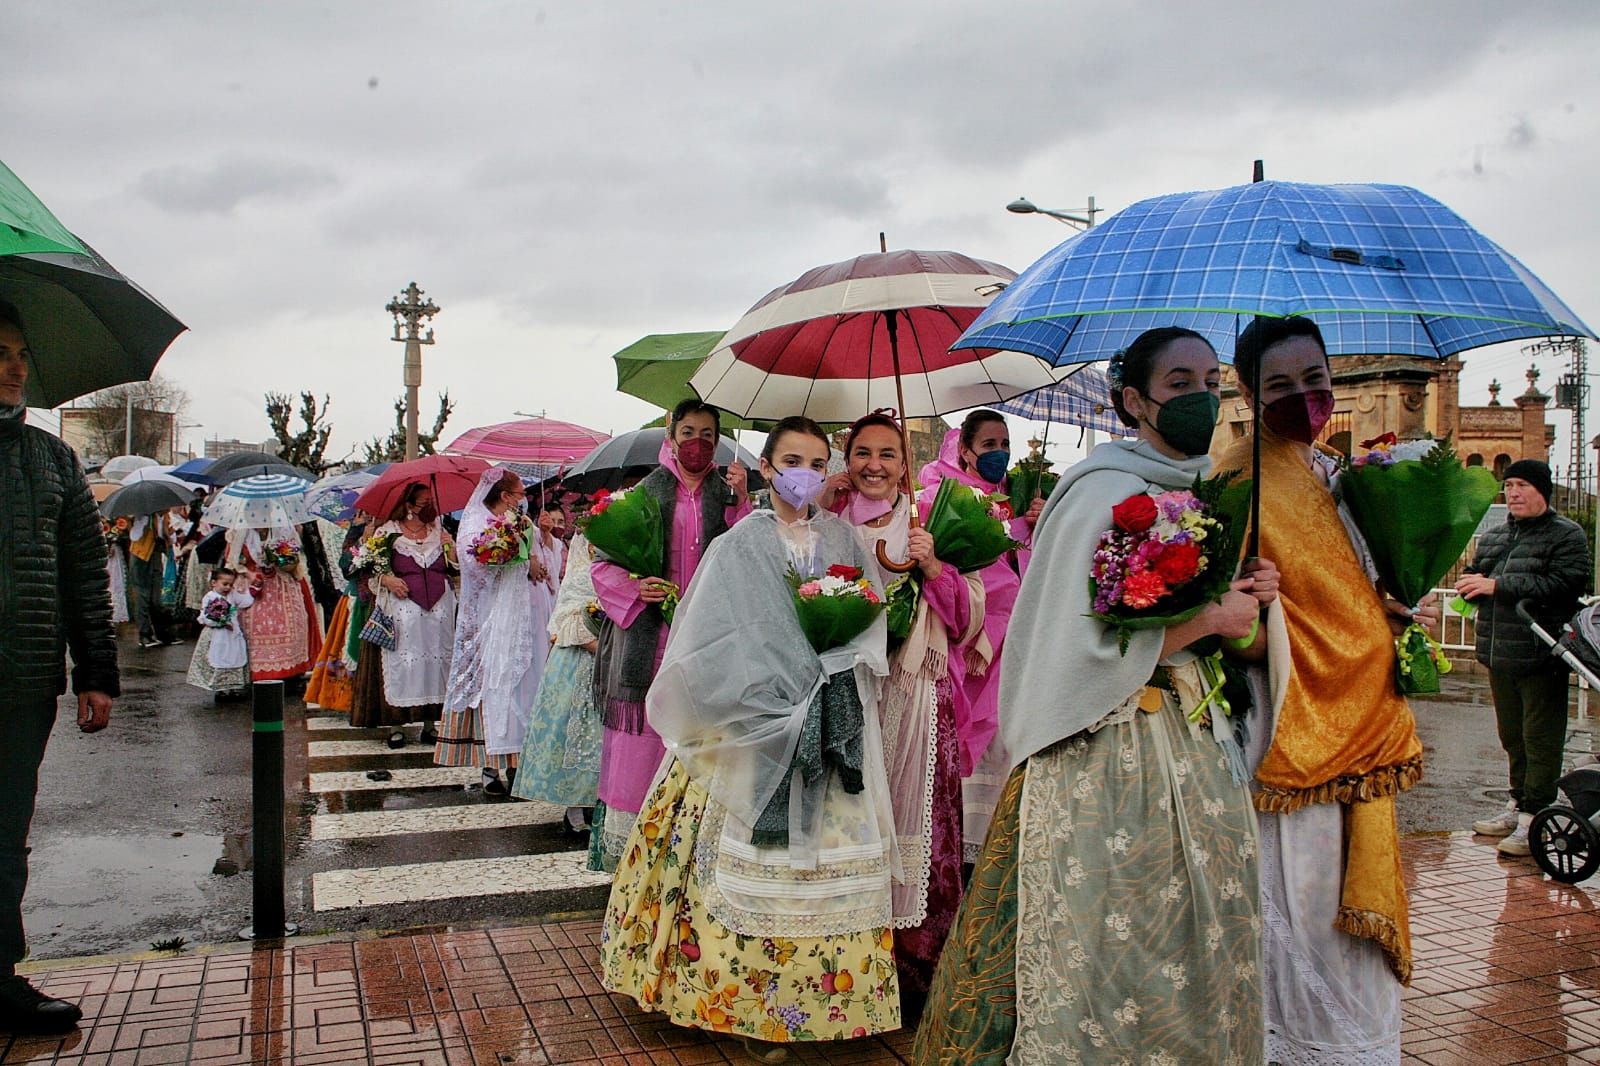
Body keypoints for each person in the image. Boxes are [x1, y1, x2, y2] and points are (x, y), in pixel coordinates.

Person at [916, 327, 1275, 1063]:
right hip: (1103, 752)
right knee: (1104, 927)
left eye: (1212, 382)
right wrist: (1208, 618)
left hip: (1193, 743)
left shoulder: (1210, 489)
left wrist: (1246, 599)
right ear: (1134, 400)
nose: (1201, 398)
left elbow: (1224, 636)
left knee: (1187, 928)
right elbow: (1078, 646)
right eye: (1180, 384)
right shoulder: (1101, 494)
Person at [600, 415, 900, 1050]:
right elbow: (710, 634)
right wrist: (762, 686)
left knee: (826, 856)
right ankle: (739, 997)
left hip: (825, 718)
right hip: (750, 722)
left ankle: (818, 997)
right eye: (794, 461)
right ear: (767, 468)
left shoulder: (844, 541)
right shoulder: (737, 544)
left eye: (819, 465)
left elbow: (868, 621)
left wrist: (837, 658)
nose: (806, 475)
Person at [1214, 315, 1426, 1065]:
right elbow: (1224, 624)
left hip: (1360, 724)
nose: (1303, 396)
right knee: (1297, 903)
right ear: (1245, 389)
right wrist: (1254, 610)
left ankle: (1350, 1046)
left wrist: (1386, 606)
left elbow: (1348, 589)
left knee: (1342, 904)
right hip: (1287, 726)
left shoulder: (1331, 471)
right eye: (1279, 385)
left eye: (1315, 380)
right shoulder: (1240, 476)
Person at [828, 410, 984, 1018]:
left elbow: (967, 620)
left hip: (918, 691)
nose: (874, 465)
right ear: (848, 461)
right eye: (862, 452)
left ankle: (917, 968)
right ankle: (857, 965)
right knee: (855, 823)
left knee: (920, 826)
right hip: (850, 697)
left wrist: (933, 567)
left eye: (887, 454)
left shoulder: (931, 521)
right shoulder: (829, 525)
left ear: (905, 462)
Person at [0, 301, 118, 1033]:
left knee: (6, 833)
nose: (12, 365)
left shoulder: (51, 457)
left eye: (17, 352)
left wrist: (97, 672)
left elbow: (83, 575)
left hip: (22, 679)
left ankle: (1, 976)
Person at [588, 400, 750, 871]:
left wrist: (740, 506)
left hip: (710, 644)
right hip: (651, 641)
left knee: (701, 743)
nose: (697, 443)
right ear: (670, 432)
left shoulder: (731, 495)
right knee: (645, 747)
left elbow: (747, 560)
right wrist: (635, 588)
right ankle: (637, 862)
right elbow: (603, 563)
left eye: (707, 434)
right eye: (688, 432)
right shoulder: (642, 494)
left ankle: (690, 858)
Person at [915, 411, 1043, 861]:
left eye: (1005, 443)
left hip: (1010, 650)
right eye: (989, 445)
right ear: (965, 450)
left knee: (1000, 747)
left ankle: (992, 844)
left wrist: (1032, 526)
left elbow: (1019, 573)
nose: (1000, 453)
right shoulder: (942, 497)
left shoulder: (1009, 501)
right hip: (968, 646)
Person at [1458, 458, 1590, 856]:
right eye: (1509, 485)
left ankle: (1536, 815)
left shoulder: (1566, 535)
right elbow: (1476, 571)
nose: (1513, 493)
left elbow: (1566, 582)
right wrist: (1469, 580)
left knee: (1540, 740)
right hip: (1499, 653)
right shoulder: (1497, 535)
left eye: (1522, 485)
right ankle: (1517, 805)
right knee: (1512, 738)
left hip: (1541, 653)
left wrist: (1498, 585)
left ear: (1542, 491)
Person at [436, 470, 539, 795]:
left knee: (514, 686)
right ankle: (489, 766)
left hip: (514, 617)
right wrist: (503, 552)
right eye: (519, 493)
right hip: (483, 619)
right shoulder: (475, 523)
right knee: (488, 687)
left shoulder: (518, 523)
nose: (522, 498)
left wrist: (527, 557)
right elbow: (474, 565)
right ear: (505, 495)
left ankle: (514, 762)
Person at [351, 483, 457, 746]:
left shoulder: (439, 531)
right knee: (404, 664)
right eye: (423, 503)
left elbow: (454, 568)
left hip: (439, 610)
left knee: (436, 664)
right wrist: (387, 579)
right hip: (402, 610)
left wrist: (451, 548)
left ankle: (430, 724)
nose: (429, 506)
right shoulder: (388, 532)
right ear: (409, 506)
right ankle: (397, 725)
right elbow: (370, 567)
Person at [513, 523, 603, 832]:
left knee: (601, 738)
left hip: (606, 663)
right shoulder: (580, 577)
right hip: (579, 663)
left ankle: (598, 802)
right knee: (575, 735)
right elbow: (566, 621)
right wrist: (599, 646)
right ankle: (574, 809)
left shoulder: (619, 573)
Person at [229, 525, 321, 683]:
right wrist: (248, 573)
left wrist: (281, 561)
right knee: (252, 627)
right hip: (252, 585)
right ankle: (254, 671)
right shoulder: (239, 532)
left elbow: (293, 562)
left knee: (290, 623)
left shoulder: (283, 530)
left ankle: (291, 670)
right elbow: (232, 562)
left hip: (281, 583)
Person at [186, 567, 256, 699]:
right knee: (219, 657)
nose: (228, 587)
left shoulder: (232, 595)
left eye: (230, 584)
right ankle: (221, 689)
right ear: (214, 583)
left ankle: (235, 687)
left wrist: (253, 590)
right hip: (218, 634)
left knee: (234, 656)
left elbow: (245, 601)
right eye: (225, 584)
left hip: (232, 635)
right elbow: (206, 617)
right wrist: (220, 622)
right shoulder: (210, 597)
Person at [127, 509, 176, 648]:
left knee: (156, 599)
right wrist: (142, 522)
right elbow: (134, 537)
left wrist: (169, 535)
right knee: (142, 596)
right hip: (140, 557)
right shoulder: (142, 514)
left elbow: (167, 537)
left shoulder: (164, 517)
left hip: (155, 555)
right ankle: (144, 634)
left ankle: (162, 634)